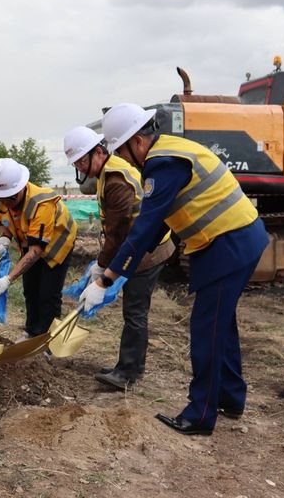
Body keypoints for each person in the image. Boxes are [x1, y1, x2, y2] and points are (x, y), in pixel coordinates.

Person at [80, 103, 269, 436]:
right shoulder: (170, 152)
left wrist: (107, 279)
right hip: (237, 239)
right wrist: (108, 273)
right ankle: (231, 397)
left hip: (227, 244)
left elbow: (143, 228)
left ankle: (200, 415)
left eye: (121, 150)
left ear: (136, 142)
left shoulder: (162, 163)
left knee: (206, 330)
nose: (122, 158)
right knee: (221, 325)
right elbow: (153, 230)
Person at [63, 126, 175, 389]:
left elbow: (117, 234)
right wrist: (100, 268)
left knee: (135, 311)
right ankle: (130, 366)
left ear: (99, 152)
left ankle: (127, 373)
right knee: (134, 309)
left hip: (148, 250)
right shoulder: (107, 171)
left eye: (82, 160)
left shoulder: (116, 180)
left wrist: (102, 270)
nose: (81, 167)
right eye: (76, 162)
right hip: (138, 246)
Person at [0, 158, 77, 339]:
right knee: (30, 288)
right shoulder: (0, 199)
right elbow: (4, 222)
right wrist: (4, 238)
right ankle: (32, 332)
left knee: (48, 292)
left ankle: (47, 339)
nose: (7, 203)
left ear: (21, 188)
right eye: (2, 199)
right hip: (31, 241)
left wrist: (9, 278)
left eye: (11, 198)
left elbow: (36, 251)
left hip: (58, 242)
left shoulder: (40, 204)